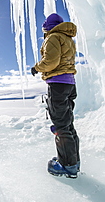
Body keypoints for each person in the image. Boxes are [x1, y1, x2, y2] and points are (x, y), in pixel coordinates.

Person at [31, 13, 80, 178]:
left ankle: (67, 165)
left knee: (60, 125)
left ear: (47, 27)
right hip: (69, 84)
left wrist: (37, 67)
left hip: (57, 84)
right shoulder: (67, 38)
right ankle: (73, 161)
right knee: (68, 124)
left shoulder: (53, 37)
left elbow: (51, 62)